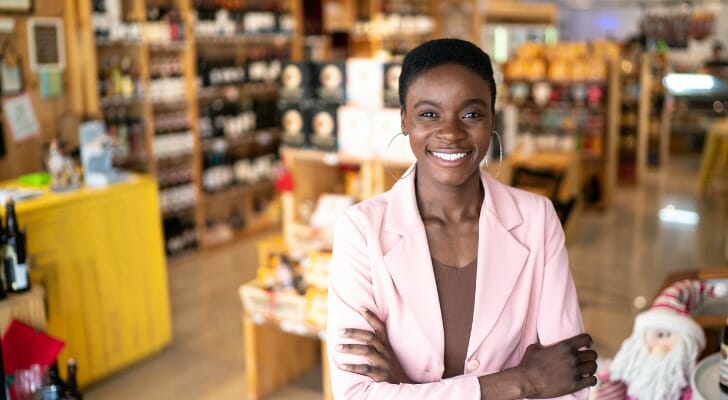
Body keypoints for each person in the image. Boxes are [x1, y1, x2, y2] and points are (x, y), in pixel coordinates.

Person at [326, 38, 597, 399]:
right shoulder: (361, 231)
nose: (451, 133)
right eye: (428, 114)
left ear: (492, 119)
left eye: (471, 114)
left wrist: (406, 386)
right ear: (404, 119)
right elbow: (356, 394)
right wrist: (521, 382)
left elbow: (569, 383)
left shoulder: (537, 219)